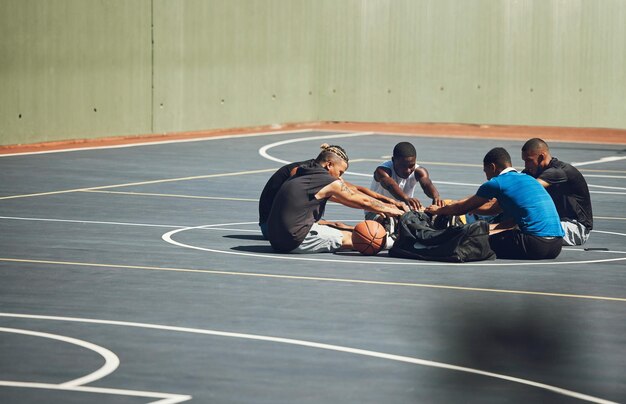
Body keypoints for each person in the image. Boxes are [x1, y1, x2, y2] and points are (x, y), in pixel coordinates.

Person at [425, 147, 564, 260]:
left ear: (492, 167)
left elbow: (462, 208)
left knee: (471, 240)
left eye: (486, 171)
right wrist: (475, 211)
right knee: (491, 233)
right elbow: (494, 209)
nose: (486, 176)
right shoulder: (529, 179)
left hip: (534, 245)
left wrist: (439, 211)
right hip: (555, 246)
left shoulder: (496, 183)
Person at [267, 144, 405, 254]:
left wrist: (385, 204)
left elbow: (350, 195)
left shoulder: (305, 171)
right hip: (293, 240)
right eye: (340, 172)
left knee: (341, 226)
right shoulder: (324, 180)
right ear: (329, 164)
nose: (340, 178)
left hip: (276, 238)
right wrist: (393, 211)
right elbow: (358, 200)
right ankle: (393, 242)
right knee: (362, 238)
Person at [521, 138, 593, 245]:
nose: (526, 165)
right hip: (556, 223)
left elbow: (530, 189)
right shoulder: (532, 171)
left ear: (541, 157)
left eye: (529, 160)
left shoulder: (559, 171)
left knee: (521, 229)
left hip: (576, 228)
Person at [366, 141, 443, 221]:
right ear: (393, 160)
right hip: (377, 210)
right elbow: (391, 186)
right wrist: (406, 198)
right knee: (388, 222)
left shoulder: (419, 171)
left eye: (411, 166)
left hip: (403, 210)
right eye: (403, 166)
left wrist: (436, 197)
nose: (408, 170)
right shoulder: (382, 171)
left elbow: (427, 184)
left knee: (428, 220)